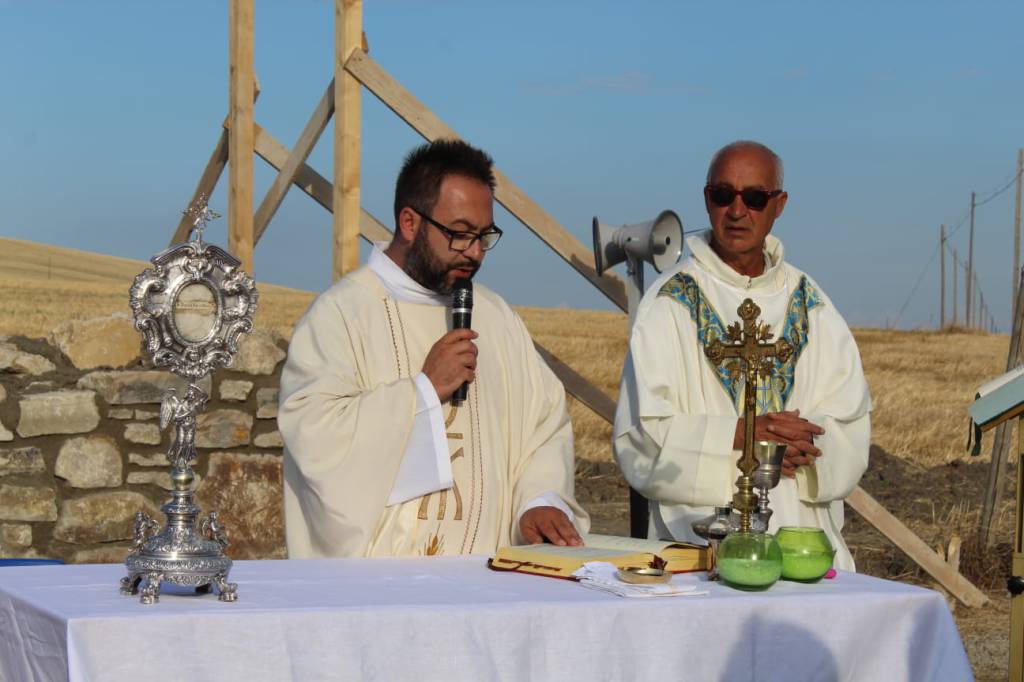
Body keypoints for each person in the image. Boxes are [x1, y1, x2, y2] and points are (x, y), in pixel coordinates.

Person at [280, 139, 588, 558]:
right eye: (460, 234)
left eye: (485, 236)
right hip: (380, 592)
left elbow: (543, 426)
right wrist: (423, 391)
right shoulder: (342, 315)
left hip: (485, 584)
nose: (475, 252)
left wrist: (537, 502)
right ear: (410, 222)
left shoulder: (497, 318)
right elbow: (315, 438)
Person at [613, 141, 870, 570]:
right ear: (706, 199)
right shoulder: (671, 304)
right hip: (702, 545)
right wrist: (746, 434)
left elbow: (850, 421)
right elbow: (641, 438)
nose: (737, 210)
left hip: (800, 544)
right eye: (723, 195)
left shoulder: (812, 304)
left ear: (778, 205)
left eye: (754, 198)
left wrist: (799, 441)